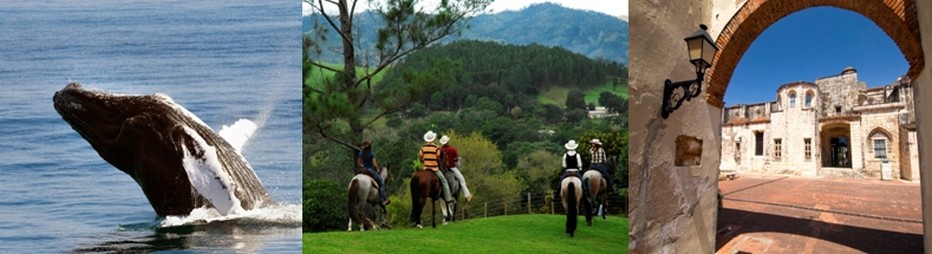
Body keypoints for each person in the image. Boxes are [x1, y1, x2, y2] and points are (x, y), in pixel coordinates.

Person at [419, 131, 455, 205]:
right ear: (433, 139)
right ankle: (448, 199)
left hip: (426, 168)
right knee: (444, 182)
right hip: (434, 169)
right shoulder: (436, 147)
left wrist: (424, 160)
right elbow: (438, 156)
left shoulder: (422, 148)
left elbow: (420, 158)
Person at [440, 135, 473, 202]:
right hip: (452, 167)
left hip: (443, 169)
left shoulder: (440, 150)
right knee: (462, 180)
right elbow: (456, 159)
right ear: (448, 141)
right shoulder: (452, 149)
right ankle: (467, 195)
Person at [356, 140, 390, 206]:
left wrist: (363, 166)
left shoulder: (360, 153)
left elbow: (359, 164)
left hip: (363, 170)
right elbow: (374, 165)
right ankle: (384, 199)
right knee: (382, 184)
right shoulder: (372, 154)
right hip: (371, 170)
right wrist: (377, 169)